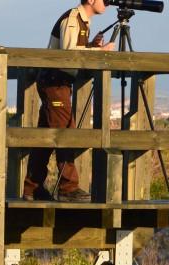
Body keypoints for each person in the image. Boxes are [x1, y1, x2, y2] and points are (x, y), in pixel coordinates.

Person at [23, 0, 116, 202]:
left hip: (57, 82)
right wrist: (99, 52)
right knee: (66, 132)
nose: (108, 4)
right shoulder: (73, 19)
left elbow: (74, 49)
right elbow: (68, 54)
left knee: (45, 138)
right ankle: (68, 188)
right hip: (55, 83)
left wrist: (91, 46)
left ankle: (32, 188)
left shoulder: (81, 20)